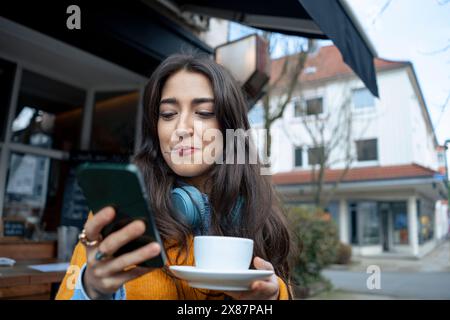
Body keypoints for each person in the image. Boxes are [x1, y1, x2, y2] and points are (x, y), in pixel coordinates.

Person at [56, 53, 293, 300]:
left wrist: (273, 299)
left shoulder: (258, 215)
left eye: (203, 112)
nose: (181, 129)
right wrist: (91, 289)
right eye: (168, 114)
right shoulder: (117, 215)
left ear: (231, 128)